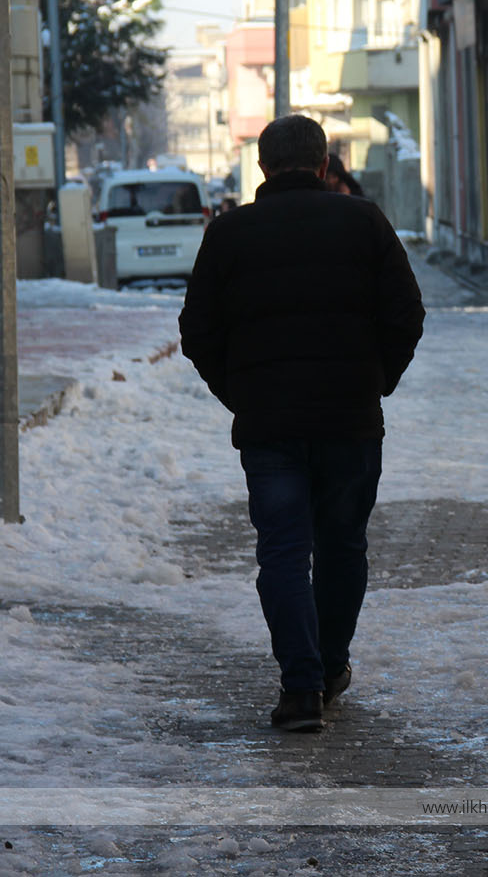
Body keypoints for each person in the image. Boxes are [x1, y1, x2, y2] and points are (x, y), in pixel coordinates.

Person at [179, 115, 425, 732]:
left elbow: (197, 330)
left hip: (270, 426)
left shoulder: (229, 233)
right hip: (350, 419)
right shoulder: (363, 221)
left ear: (261, 168)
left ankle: (300, 688)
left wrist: (240, 393)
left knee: (284, 552)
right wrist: (376, 380)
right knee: (343, 547)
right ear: (324, 165)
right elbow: (407, 313)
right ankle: (331, 664)